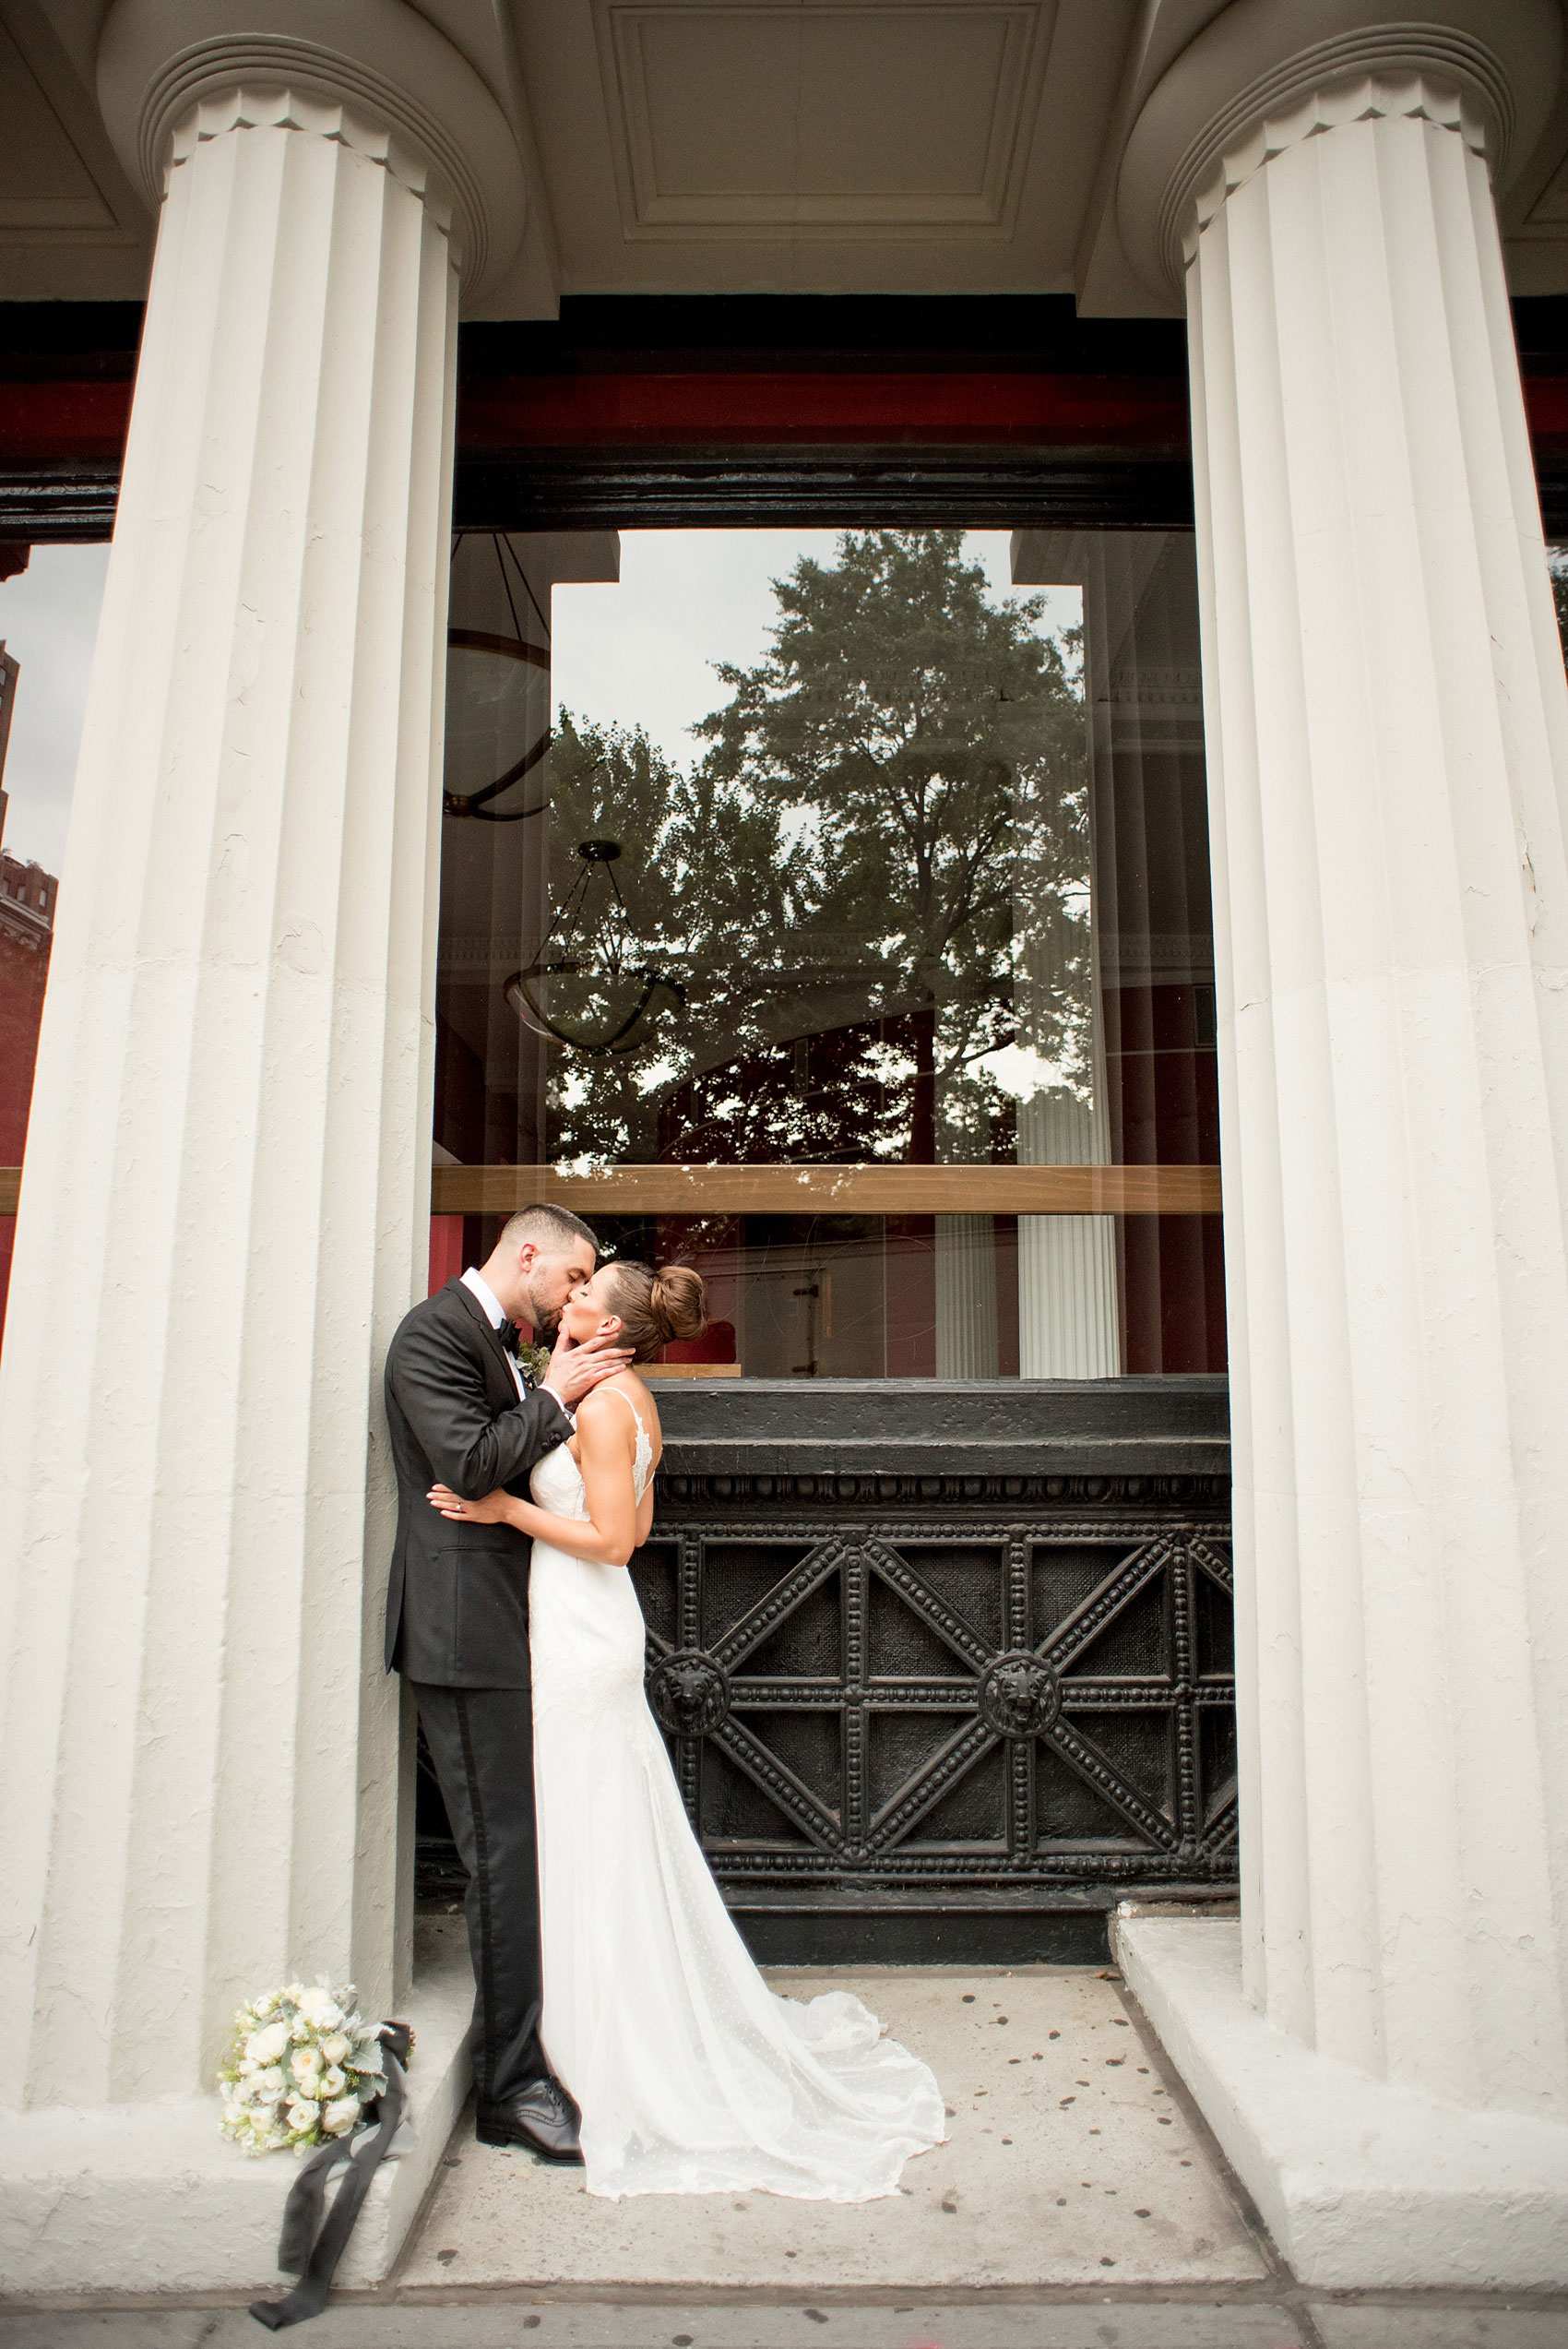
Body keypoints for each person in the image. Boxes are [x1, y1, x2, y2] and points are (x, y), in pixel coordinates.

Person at [428, 1258, 945, 2200]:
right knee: (595, 1825)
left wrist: (503, 1506)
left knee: (585, 1826)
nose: (568, 1299)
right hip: (589, 1617)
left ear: (611, 1326)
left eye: (585, 1293)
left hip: (583, 1623)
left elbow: (617, 1539)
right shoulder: (629, 1397)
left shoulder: (600, 1405)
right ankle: (586, 2027)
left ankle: (604, 2045)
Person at [383, 1202, 631, 2164]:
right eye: (571, 1278)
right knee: (501, 1857)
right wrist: (558, 1393)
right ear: (526, 1253)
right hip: (460, 1636)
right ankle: (511, 2085)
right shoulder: (430, 1335)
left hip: (513, 1631)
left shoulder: (498, 1340)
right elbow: (471, 1464)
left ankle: (533, 2054)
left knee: (521, 1849)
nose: (577, 1296)